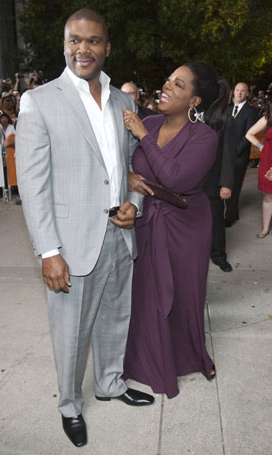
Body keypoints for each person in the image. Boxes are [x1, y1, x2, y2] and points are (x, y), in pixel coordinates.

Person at [16, 8, 153, 449]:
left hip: (119, 233)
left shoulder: (123, 101)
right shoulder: (39, 101)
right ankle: (70, 405)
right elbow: (33, 185)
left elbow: (132, 166)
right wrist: (48, 251)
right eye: (75, 40)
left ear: (106, 47)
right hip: (71, 243)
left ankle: (110, 383)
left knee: (116, 319)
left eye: (93, 41)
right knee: (71, 331)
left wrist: (134, 205)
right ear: (64, 45)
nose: (83, 49)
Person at [123, 62, 224, 399]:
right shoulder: (149, 121)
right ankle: (144, 360)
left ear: (194, 101)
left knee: (181, 295)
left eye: (179, 85)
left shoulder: (205, 137)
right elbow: (128, 167)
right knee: (146, 294)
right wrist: (128, 180)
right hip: (146, 221)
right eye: (168, 79)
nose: (167, 86)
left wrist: (142, 136)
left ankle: (185, 355)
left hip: (186, 229)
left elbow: (177, 178)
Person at [203, 80, 237, 272]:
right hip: (193, 179)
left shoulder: (226, 119)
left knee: (216, 220)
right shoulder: (195, 114)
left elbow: (228, 155)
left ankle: (218, 255)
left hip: (214, 181)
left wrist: (226, 184)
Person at [224, 82, 258, 227]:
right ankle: (233, 212)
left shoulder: (251, 111)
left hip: (239, 155)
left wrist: (235, 151)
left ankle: (230, 216)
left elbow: (248, 136)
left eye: (243, 91)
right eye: (237, 90)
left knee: (234, 185)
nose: (239, 93)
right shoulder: (228, 109)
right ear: (233, 92)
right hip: (226, 154)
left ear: (247, 93)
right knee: (226, 183)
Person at [246, 102, 272, 238]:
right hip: (268, 160)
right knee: (268, 196)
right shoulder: (267, 118)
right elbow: (249, 134)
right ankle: (265, 228)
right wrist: (261, 147)